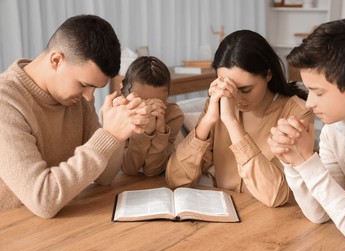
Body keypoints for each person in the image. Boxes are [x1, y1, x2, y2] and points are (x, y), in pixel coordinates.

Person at [0, 15, 151, 218]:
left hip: (65, 221)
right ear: (56, 60)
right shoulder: (6, 101)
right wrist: (109, 136)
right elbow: (43, 200)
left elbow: (104, 177)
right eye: (84, 85)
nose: (89, 97)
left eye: (95, 89)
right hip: (14, 231)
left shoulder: (77, 99)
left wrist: (118, 131)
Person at [268, 19, 345, 243]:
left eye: (318, 92)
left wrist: (307, 159)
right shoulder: (335, 131)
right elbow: (318, 212)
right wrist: (294, 161)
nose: (308, 103)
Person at [165, 30, 313, 207]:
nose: (237, 99)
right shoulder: (218, 107)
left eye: (245, 89)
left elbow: (275, 196)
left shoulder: (296, 113)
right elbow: (176, 180)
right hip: (224, 217)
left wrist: (231, 122)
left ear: (268, 75)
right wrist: (207, 121)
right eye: (230, 89)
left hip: (274, 223)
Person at [113, 56, 184, 176]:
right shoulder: (116, 112)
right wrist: (145, 132)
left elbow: (152, 171)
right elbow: (129, 169)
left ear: (167, 97)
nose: (147, 108)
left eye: (156, 102)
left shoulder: (173, 115)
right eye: (140, 101)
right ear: (123, 90)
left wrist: (160, 131)